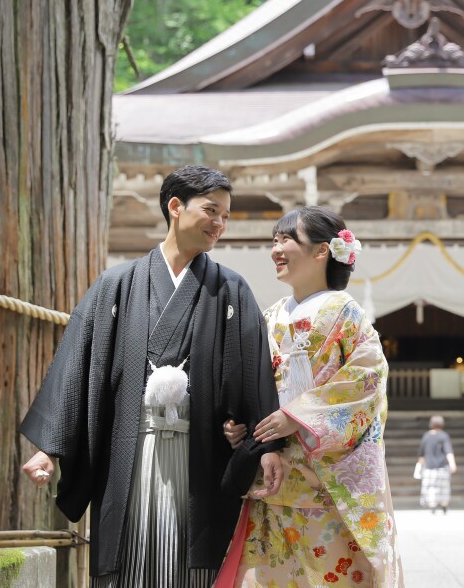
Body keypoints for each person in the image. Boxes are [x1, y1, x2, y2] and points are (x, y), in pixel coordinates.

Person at [19, 165, 284, 586]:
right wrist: (49, 450)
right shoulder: (116, 285)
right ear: (175, 207)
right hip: (130, 452)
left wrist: (262, 441)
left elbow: (253, 374)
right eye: (212, 211)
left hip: (199, 458)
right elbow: (76, 369)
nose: (220, 224)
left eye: (226, 216)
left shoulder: (231, 290)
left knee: (193, 566)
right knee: (128, 562)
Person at [219, 206, 403, 587]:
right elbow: (251, 383)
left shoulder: (345, 311)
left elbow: (366, 378)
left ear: (322, 251)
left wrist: (298, 416)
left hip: (325, 478)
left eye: (287, 239)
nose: (276, 249)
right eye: (274, 241)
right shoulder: (269, 316)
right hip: (273, 471)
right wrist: (243, 426)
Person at [418, 415, 458, 515]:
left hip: (429, 467)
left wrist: (421, 466)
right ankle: (444, 506)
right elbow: (448, 451)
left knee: (431, 487)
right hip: (442, 467)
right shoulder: (444, 436)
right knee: (444, 487)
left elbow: (421, 454)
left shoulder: (426, 436)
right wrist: (452, 463)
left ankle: (432, 507)